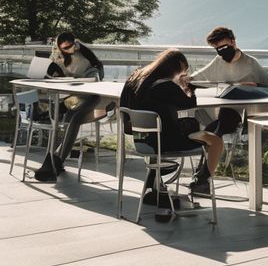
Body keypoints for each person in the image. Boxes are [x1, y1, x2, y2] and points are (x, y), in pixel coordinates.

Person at [120, 49, 223, 214]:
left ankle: (154, 187)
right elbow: (189, 104)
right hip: (165, 141)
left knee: (186, 128)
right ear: (179, 67)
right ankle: (202, 182)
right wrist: (189, 88)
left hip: (142, 139)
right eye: (184, 70)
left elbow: (124, 109)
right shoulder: (166, 85)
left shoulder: (135, 78)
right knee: (216, 140)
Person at [188, 26, 268, 194]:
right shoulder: (218, 62)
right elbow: (200, 76)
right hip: (226, 114)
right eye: (217, 50)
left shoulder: (250, 63)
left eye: (224, 48)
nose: (221, 53)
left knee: (216, 130)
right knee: (209, 131)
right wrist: (185, 79)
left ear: (233, 42)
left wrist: (253, 86)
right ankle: (202, 178)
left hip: (246, 117)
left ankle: (203, 178)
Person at [33, 32, 106, 182]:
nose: (68, 49)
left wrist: (90, 75)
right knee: (67, 118)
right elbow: (65, 75)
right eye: (64, 48)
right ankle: (56, 160)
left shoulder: (83, 53)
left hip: (95, 96)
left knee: (75, 118)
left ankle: (56, 161)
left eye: (70, 46)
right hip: (78, 96)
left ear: (75, 43)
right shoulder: (61, 59)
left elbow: (98, 68)